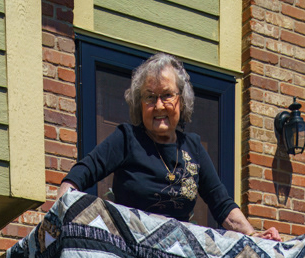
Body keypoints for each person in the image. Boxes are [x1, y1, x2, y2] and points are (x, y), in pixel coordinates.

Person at [59, 51, 280, 241]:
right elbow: (81, 173)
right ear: (139, 103)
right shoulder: (127, 138)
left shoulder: (193, 147)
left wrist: (252, 237)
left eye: (167, 95)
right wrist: (60, 209)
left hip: (176, 257)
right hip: (131, 251)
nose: (158, 106)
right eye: (149, 97)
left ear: (181, 101)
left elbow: (222, 205)